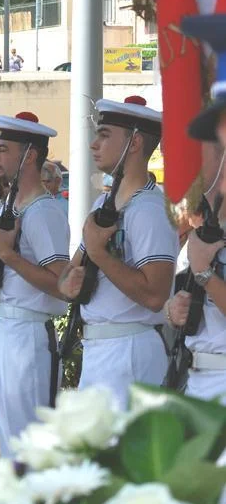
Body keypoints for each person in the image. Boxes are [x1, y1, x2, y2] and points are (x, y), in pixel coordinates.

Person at [57, 97, 175, 407]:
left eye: (105, 134)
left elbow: (155, 295)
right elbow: (70, 274)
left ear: (134, 142)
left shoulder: (150, 210)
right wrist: (69, 284)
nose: (94, 144)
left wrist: (101, 255)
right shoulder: (103, 204)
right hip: (101, 349)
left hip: (131, 349)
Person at [0, 113, 68, 456]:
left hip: (27, 334)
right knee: (10, 441)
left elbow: (62, 284)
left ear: (28, 156)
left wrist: (9, 256)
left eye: (2, 149)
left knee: (29, 446)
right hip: (2, 329)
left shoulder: (43, 212)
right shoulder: (9, 207)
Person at [167, 89, 226, 400]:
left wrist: (205, 273)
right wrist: (174, 309)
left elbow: (203, 271)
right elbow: (180, 294)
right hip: (196, 376)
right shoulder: (203, 223)